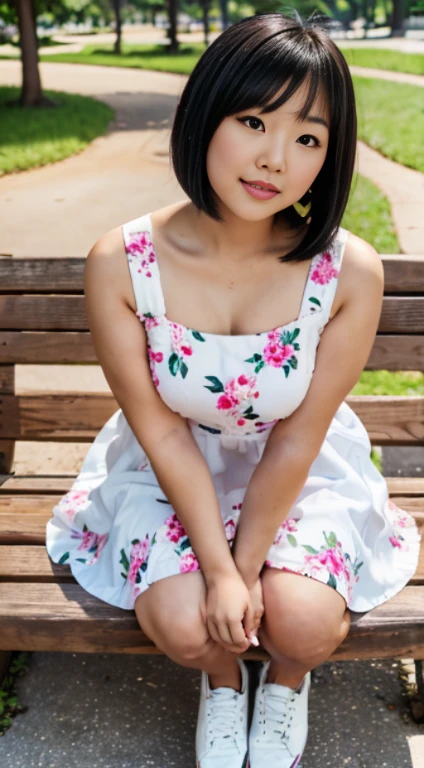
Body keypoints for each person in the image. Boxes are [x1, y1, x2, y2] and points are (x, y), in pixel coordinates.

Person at [45, 11, 421, 768]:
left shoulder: (346, 272)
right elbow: (157, 430)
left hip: (300, 467)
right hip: (170, 466)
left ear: (330, 154)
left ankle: (284, 684)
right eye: (253, 119)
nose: (275, 158)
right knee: (189, 624)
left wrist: (243, 571)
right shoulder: (123, 262)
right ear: (205, 113)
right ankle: (222, 686)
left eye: (308, 137)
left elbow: (301, 435)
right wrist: (217, 574)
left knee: (306, 625)